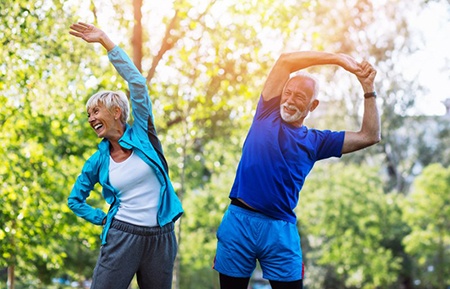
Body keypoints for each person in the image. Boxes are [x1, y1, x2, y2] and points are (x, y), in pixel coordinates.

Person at [213, 51, 380, 289]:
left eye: (299, 97)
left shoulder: (317, 141)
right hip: (239, 223)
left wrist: (368, 88)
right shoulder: (266, 114)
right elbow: (285, 61)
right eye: (287, 93)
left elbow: (370, 135)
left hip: (281, 231)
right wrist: (339, 60)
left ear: (313, 105)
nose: (289, 100)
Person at [67, 22, 183, 289]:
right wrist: (103, 218)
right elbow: (75, 199)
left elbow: (137, 83)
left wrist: (106, 41)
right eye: (89, 115)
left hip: (161, 237)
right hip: (122, 236)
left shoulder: (143, 134)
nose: (91, 118)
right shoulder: (98, 160)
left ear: (116, 112)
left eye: (95, 111)